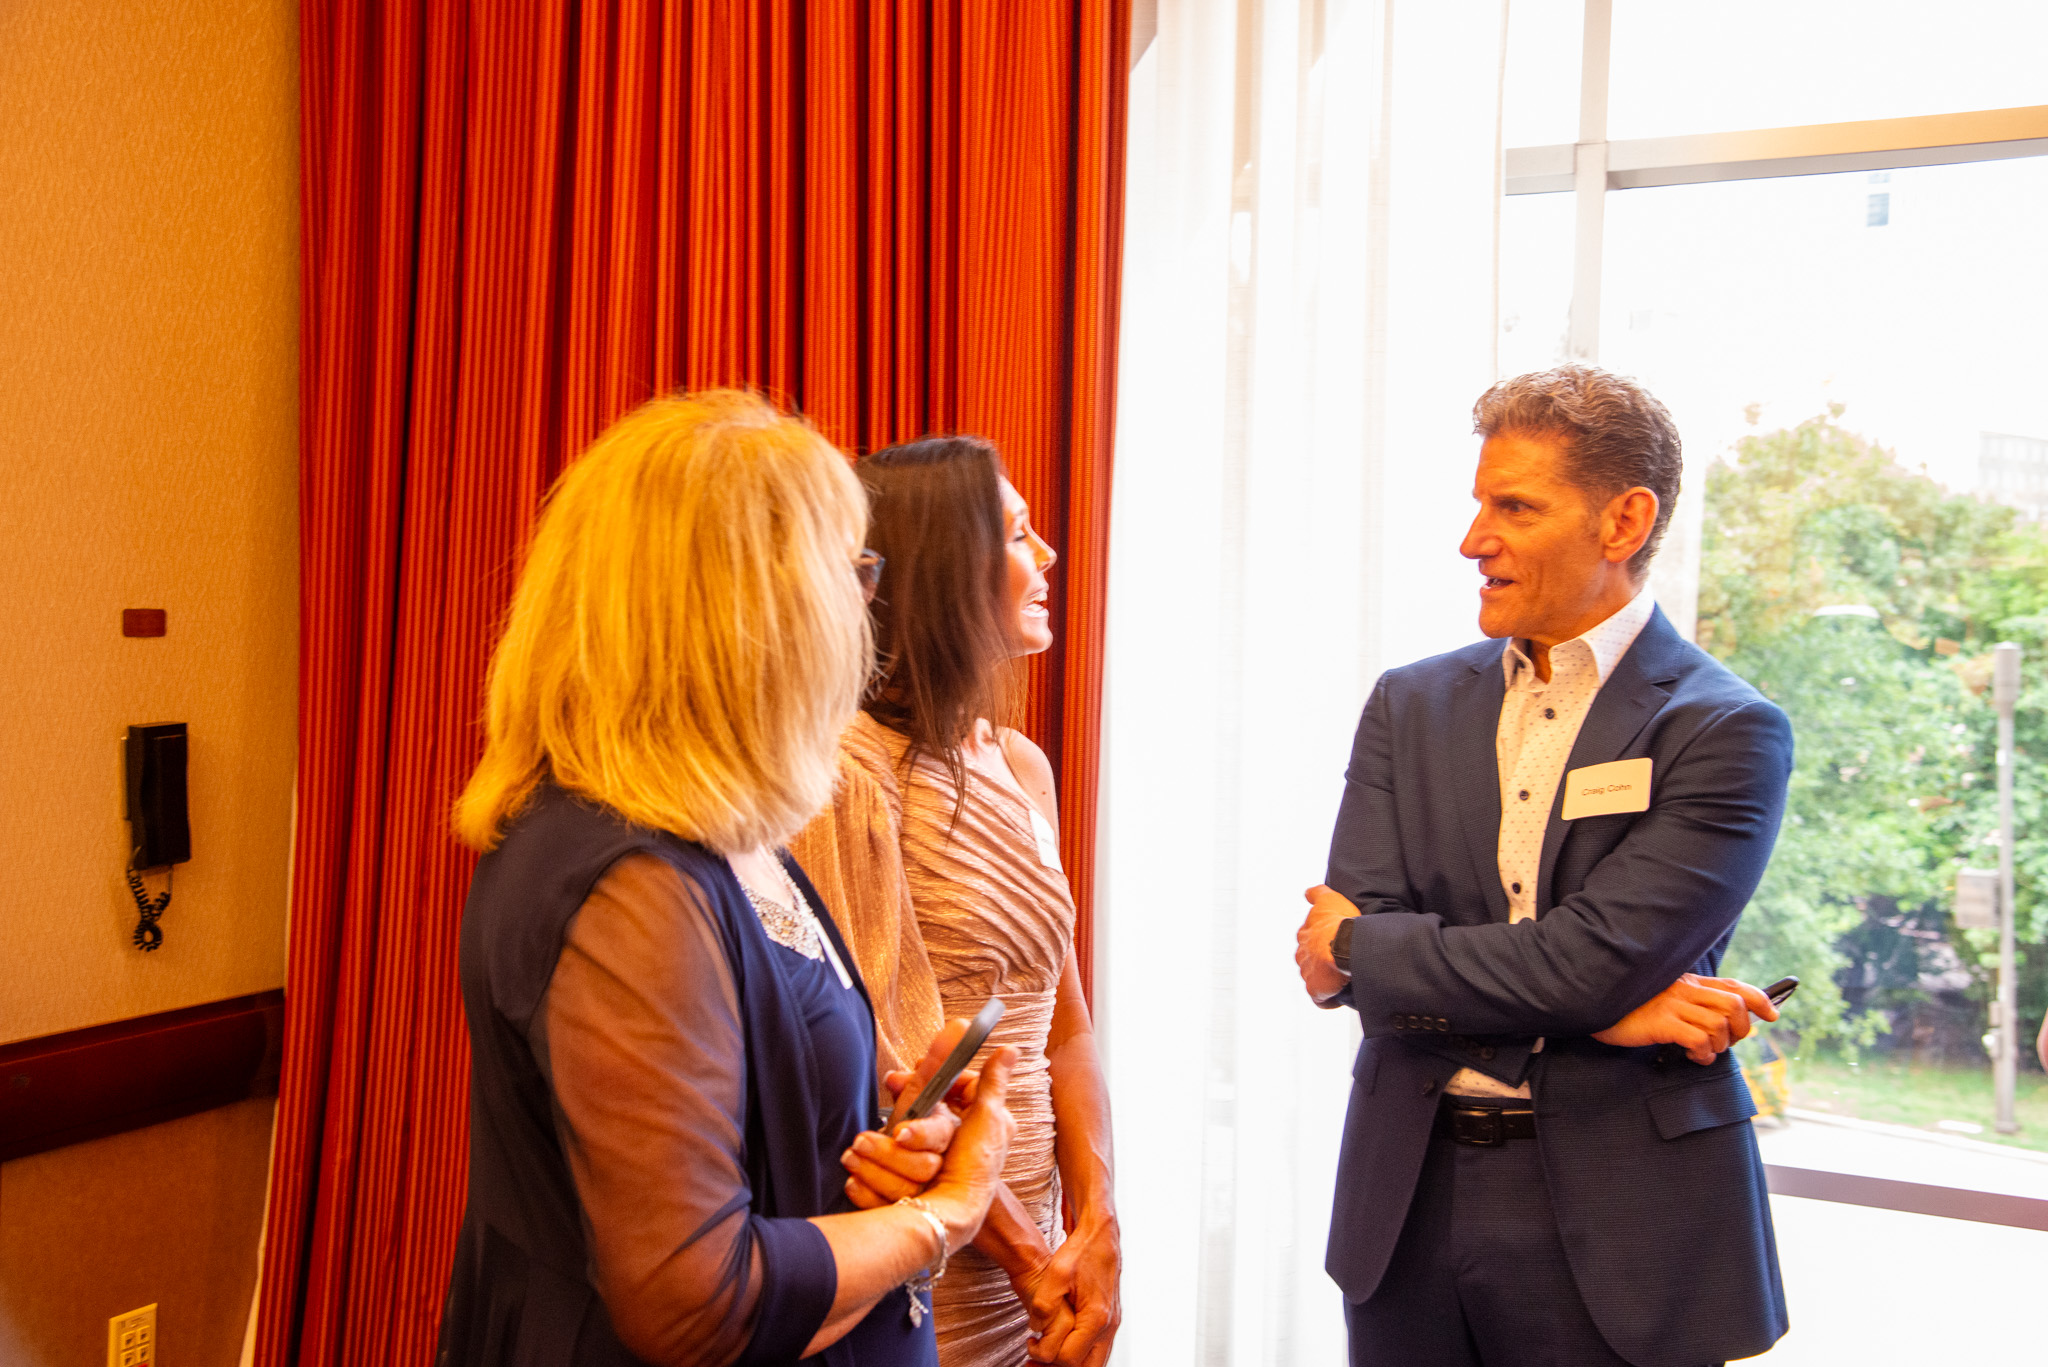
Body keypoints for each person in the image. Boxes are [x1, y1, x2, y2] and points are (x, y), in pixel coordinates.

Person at [437, 390, 1019, 1367]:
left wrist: (885, 1141)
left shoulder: (715, 825)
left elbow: (754, 1135)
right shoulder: (628, 882)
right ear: (749, 615)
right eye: (852, 571)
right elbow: (698, 1302)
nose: (864, 607)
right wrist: (944, 1215)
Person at [1293, 366, 1794, 1367]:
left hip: (1624, 1228)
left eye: (1513, 507)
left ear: (1623, 521)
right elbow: (1365, 975)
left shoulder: (1725, 729)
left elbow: (1566, 963)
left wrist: (1369, 948)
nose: (1472, 539)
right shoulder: (1409, 704)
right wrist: (1609, 1013)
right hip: (1406, 1203)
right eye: (1479, 503)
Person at [791, 436, 1121, 1367]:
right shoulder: (847, 773)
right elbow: (892, 1069)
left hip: (1043, 1241)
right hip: (930, 1244)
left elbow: (1066, 1029)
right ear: (947, 570)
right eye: (1018, 533)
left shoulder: (1021, 762)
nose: (1048, 553)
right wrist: (1032, 1265)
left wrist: (1097, 1223)